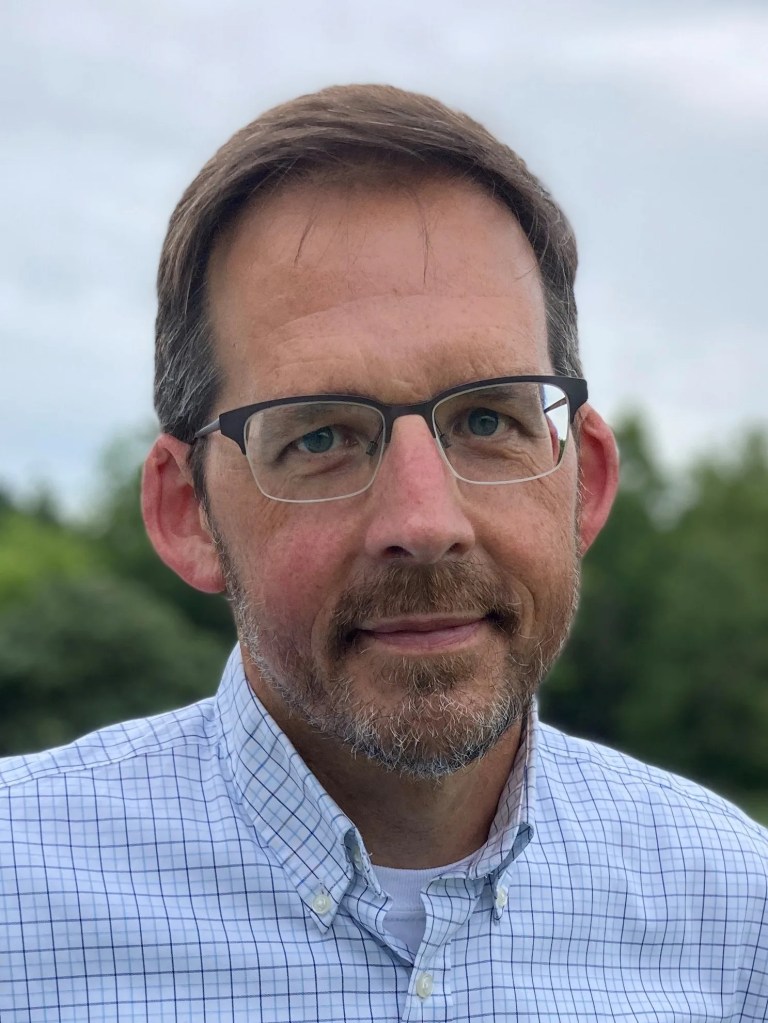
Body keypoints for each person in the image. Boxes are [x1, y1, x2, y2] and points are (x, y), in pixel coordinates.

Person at [1, 84, 766, 1022]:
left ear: (586, 482)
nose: (425, 517)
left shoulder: (739, 921)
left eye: (489, 419)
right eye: (321, 436)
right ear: (186, 511)